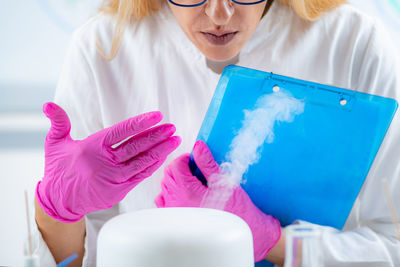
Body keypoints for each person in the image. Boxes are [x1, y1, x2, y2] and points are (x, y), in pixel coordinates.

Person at [32, 0, 400, 266]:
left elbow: (393, 246)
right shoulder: (101, 49)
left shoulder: (354, 44)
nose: (219, 13)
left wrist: (275, 244)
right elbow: (79, 260)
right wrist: (55, 212)